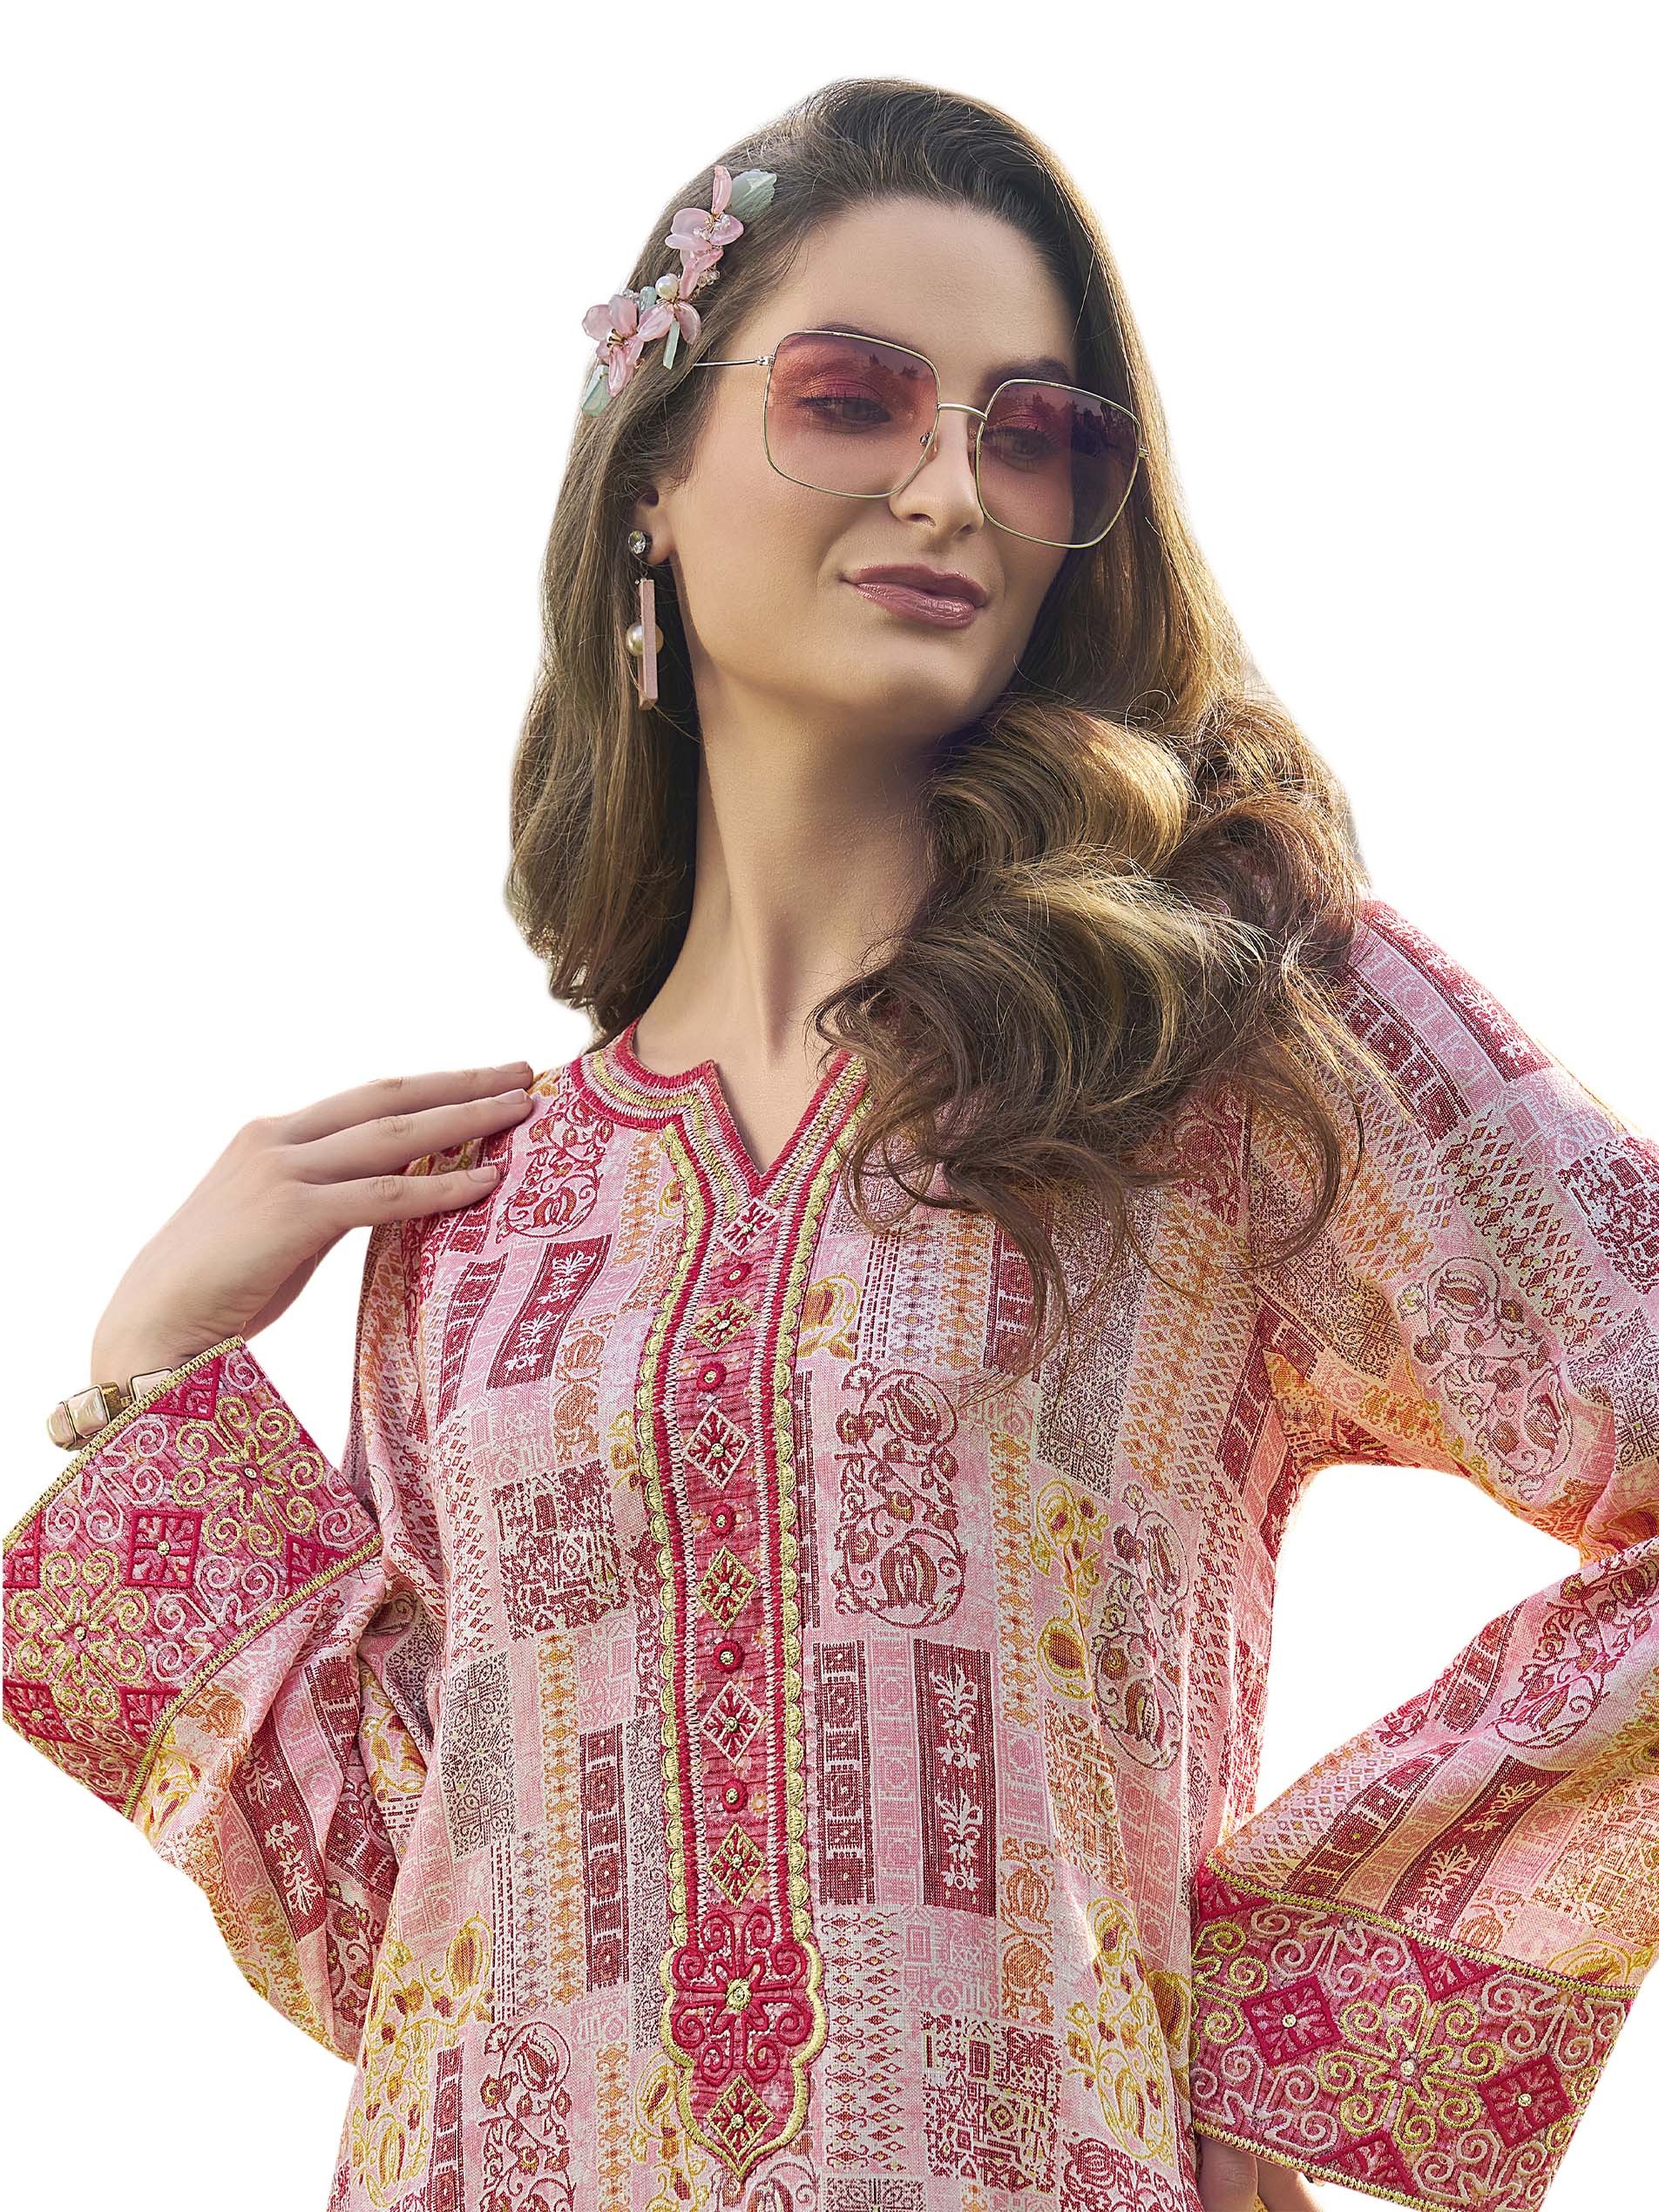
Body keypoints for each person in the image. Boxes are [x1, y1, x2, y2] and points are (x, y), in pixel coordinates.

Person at [6, 76, 1652, 2212]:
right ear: (651, 476)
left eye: (1033, 434)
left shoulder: (1219, 1030)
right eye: (854, 400)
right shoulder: (483, 1235)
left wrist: (1287, 2037)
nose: (951, 487)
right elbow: (408, 1946)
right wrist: (147, 1385)